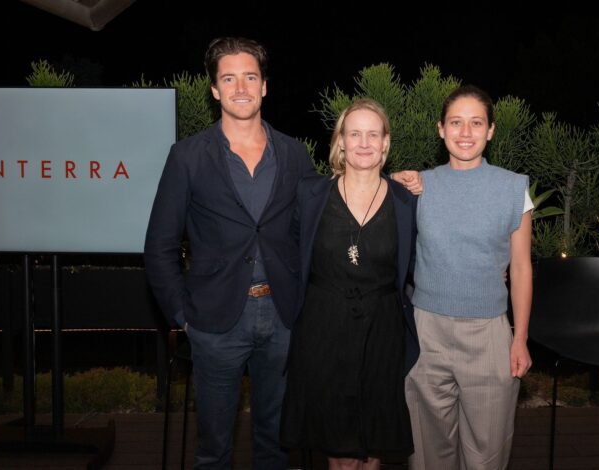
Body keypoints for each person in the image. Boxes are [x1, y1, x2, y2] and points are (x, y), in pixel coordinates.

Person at [144, 37, 422, 469]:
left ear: (264, 86)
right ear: (215, 89)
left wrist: (400, 184)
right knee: (213, 448)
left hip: (285, 319)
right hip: (215, 322)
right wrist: (183, 316)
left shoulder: (293, 155)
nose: (241, 87)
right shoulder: (187, 157)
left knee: (277, 444)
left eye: (250, 77)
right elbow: (159, 245)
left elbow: (325, 216)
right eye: (229, 78)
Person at [280, 98, 418, 470]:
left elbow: (423, 261)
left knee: (373, 444)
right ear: (340, 141)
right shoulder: (309, 195)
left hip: (382, 332)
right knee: (337, 447)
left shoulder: (406, 201)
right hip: (323, 329)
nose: (363, 142)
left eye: (373, 134)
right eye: (354, 133)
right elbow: (287, 252)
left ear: (385, 143)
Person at [404, 85, 533, 470]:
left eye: (476, 123)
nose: (465, 132)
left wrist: (521, 338)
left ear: (491, 130)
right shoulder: (418, 185)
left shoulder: (514, 188)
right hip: (426, 332)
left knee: (487, 453)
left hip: (490, 334)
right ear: (440, 129)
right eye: (455, 123)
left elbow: (522, 266)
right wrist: (392, 178)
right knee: (427, 453)